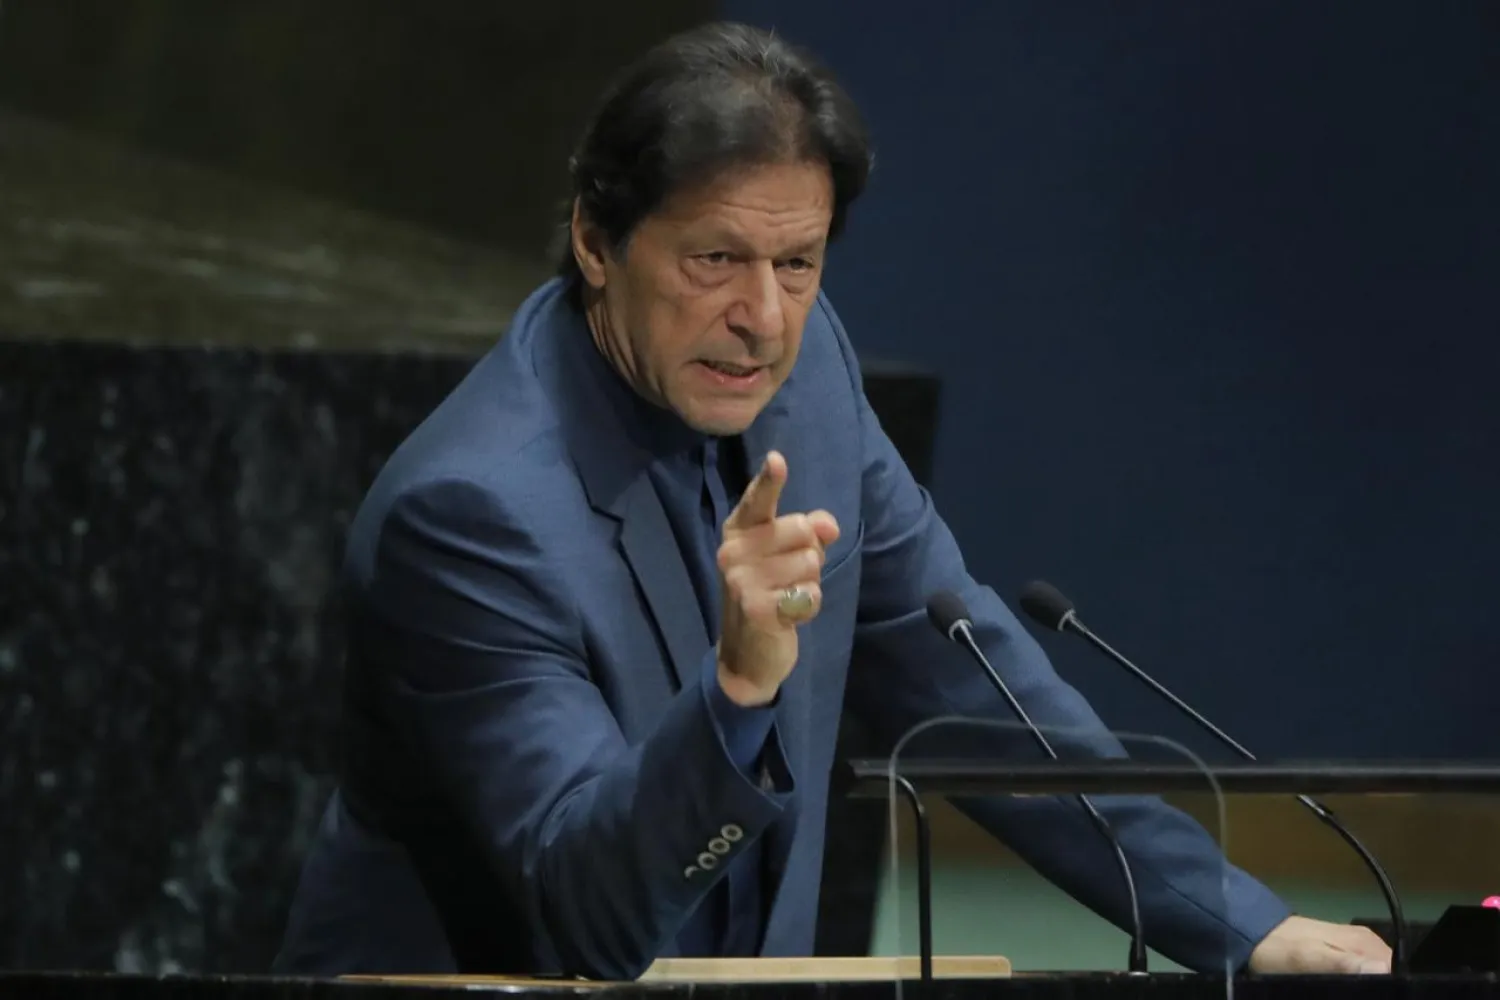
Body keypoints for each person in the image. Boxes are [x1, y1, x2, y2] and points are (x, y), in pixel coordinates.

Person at [274, 20, 1392, 980]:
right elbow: (590, 921)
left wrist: (1249, 926)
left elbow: (970, 679)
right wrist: (737, 690)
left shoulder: (808, 383)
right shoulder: (472, 516)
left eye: (798, 264)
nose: (762, 315)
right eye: (715, 258)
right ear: (595, 239)